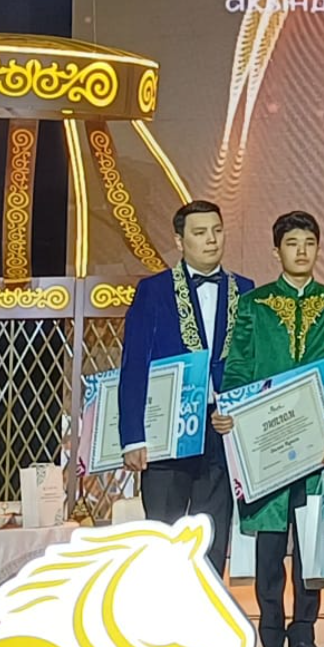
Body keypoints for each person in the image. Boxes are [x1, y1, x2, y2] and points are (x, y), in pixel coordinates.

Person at [222, 210, 324, 647]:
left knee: (312, 550)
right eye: (292, 243)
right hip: (267, 448)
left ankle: (304, 638)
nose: (301, 251)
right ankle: (271, 645)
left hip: (319, 450)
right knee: (269, 550)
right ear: (276, 250)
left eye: (309, 243)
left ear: (318, 248)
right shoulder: (255, 305)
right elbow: (238, 367)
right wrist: (230, 414)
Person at [119, 199, 254, 574]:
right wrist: (133, 436)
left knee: (213, 533)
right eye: (200, 233)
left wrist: (240, 412)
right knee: (164, 531)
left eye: (217, 231)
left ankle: (207, 602)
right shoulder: (154, 290)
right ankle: (162, 608)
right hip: (167, 432)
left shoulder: (244, 289)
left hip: (220, 429)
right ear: (179, 241)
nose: (211, 240)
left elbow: (252, 363)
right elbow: (134, 364)